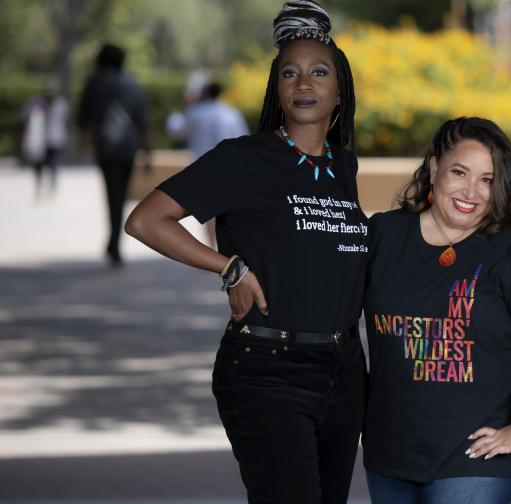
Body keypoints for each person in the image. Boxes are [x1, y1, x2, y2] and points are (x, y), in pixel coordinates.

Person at [125, 2, 367, 503]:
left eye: (318, 72)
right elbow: (146, 220)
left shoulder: (343, 164)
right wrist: (228, 266)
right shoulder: (245, 159)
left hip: (344, 370)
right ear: (276, 90)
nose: (303, 84)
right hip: (268, 369)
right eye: (290, 73)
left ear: (339, 90)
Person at [362, 117, 511, 504]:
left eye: (487, 180)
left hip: (477, 456)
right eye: (460, 172)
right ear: (433, 168)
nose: (471, 191)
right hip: (390, 449)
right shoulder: (385, 234)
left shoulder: (509, 248)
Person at [77, 43, 150, 267]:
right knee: (121, 196)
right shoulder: (133, 84)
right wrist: (148, 152)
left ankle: (113, 243)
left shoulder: (94, 83)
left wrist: (84, 139)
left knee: (112, 194)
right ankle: (115, 244)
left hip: (106, 148)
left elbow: (82, 117)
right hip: (128, 149)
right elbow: (142, 121)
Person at [169, 82, 250, 247]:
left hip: (203, 167)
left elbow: (177, 132)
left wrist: (176, 114)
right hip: (231, 166)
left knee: (209, 210)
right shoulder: (232, 113)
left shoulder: (195, 112)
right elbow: (245, 139)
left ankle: (211, 246)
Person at [22, 82, 68, 200]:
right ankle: (39, 186)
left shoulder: (61, 104)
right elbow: (26, 116)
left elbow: (64, 121)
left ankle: (53, 188)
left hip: (56, 140)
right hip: (40, 141)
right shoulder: (37, 104)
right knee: (38, 165)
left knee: (54, 165)